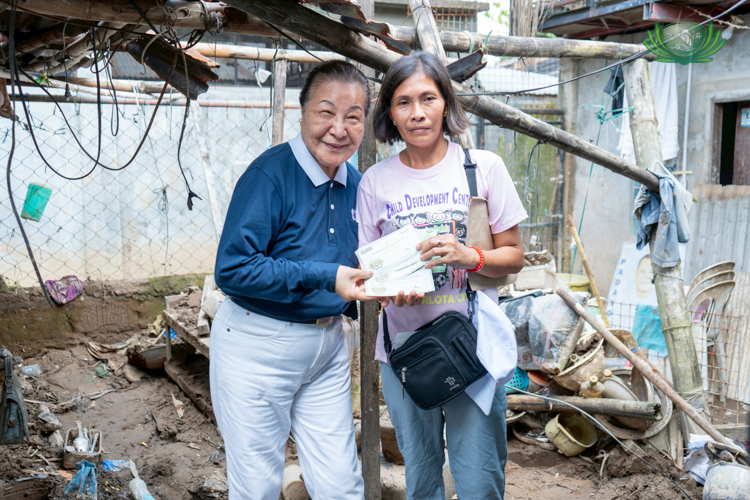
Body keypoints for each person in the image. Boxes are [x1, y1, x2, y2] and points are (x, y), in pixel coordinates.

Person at [356, 51, 527, 499]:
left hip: (472, 347)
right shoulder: (374, 181)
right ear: (389, 114)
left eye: (428, 99)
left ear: (446, 104)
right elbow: (370, 273)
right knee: (422, 476)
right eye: (404, 102)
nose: (417, 113)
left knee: (480, 478)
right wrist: (390, 293)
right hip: (404, 352)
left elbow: (514, 256)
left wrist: (468, 256)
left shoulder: (482, 168)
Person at [211, 61, 373, 500]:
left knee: (341, 486)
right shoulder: (270, 175)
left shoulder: (357, 184)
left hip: (327, 352)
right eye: (326, 112)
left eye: (353, 117)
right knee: (258, 485)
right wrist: (326, 276)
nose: (339, 129)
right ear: (302, 112)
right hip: (257, 350)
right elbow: (232, 268)